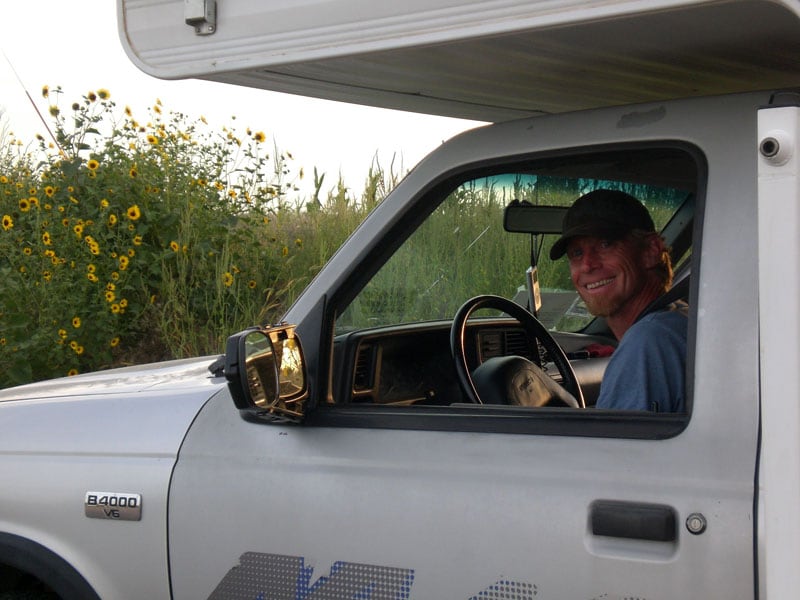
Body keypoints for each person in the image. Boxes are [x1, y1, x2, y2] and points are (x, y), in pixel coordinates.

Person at [549, 189, 687, 412]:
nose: (587, 265)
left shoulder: (648, 342)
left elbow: (615, 448)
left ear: (651, 250)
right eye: (576, 253)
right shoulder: (676, 319)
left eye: (605, 245)